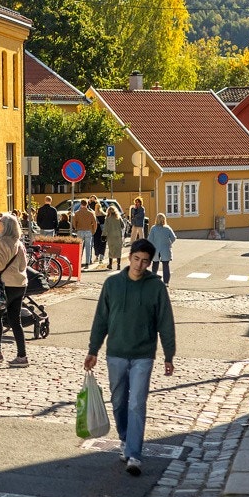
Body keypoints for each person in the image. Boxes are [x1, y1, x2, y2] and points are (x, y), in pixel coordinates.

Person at [85, 237, 176, 476]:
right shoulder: (112, 284)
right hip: (115, 352)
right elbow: (100, 319)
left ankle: (134, 454)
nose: (139, 265)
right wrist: (93, 349)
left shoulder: (156, 287)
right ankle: (125, 439)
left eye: (145, 261)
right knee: (118, 402)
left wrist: (169, 354)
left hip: (143, 355)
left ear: (149, 263)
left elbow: (165, 322)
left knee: (136, 403)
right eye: (136, 259)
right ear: (129, 258)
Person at [0, 213, 30, 367]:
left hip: (5, 284)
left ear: (6, 225)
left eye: (0, 221)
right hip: (20, 284)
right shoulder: (18, 243)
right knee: (15, 320)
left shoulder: (2, 241)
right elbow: (24, 265)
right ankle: (22, 356)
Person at [148, 213, 177, 285]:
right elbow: (173, 238)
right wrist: (169, 243)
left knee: (155, 265)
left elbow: (150, 239)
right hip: (165, 249)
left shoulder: (153, 228)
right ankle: (166, 282)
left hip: (155, 249)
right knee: (166, 266)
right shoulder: (167, 228)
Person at [73, 199, 98, 268]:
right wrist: (93, 231)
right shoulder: (91, 213)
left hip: (80, 230)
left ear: (81, 204)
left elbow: (74, 222)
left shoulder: (77, 213)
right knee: (88, 247)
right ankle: (87, 263)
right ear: (87, 204)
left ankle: (79, 261)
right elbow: (95, 223)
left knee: (80, 247)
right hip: (88, 231)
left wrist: (76, 228)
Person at [104, 203, 126, 270]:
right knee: (118, 250)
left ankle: (110, 265)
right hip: (118, 236)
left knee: (111, 250)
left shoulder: (107, 219)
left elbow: (105, 228)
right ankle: (118, 265)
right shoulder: (118, 218)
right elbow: (123, 225)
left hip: (111, 236)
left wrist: (103, 235)